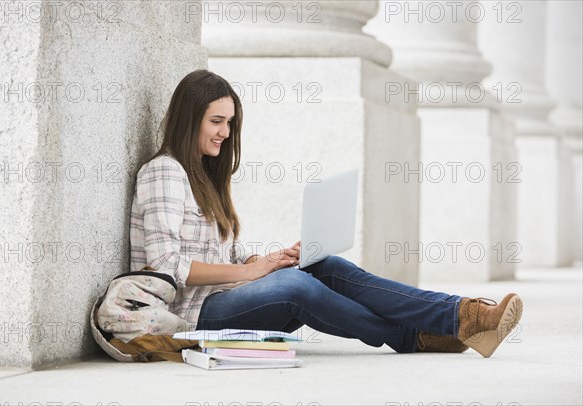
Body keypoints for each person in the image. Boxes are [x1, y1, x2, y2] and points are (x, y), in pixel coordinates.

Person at [129, 69, 523, 358]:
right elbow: (165, 265)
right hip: (189, 314)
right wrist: (251, 273)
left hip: (224, 298)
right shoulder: (164, 171)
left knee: (324, 266)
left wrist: (264, 260)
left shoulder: (205, 177)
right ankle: (416, 334)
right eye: (217, 121)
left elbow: (225, 255)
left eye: (230, 123)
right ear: (189, 119)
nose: (226, 132)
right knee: (296, 288)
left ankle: (461, 314)